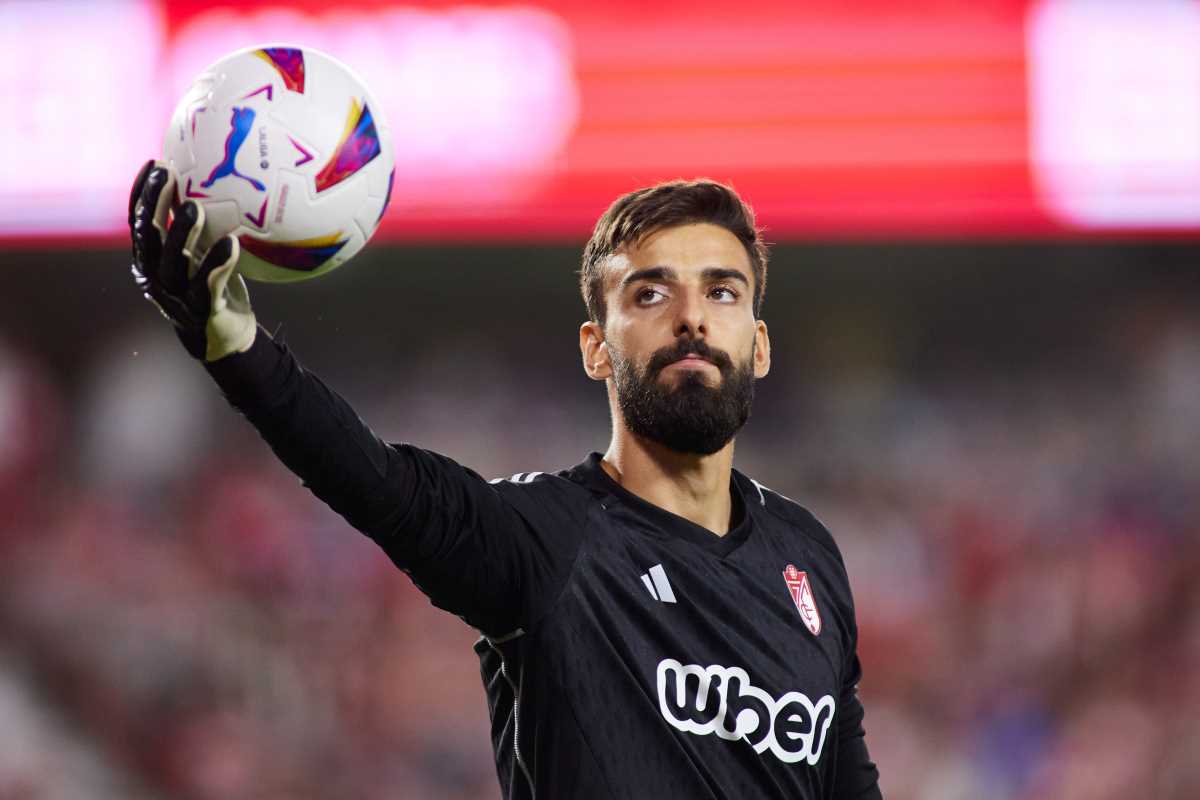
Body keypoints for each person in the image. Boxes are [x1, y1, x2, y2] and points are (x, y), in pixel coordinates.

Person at [129, 160, 882, 799]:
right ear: (595, 348)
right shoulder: (551, 538)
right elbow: (378, 483)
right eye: (650, 294)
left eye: (722, 292)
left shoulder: (807, 556)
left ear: (758, 345)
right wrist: (235, 349)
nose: (691, 317)